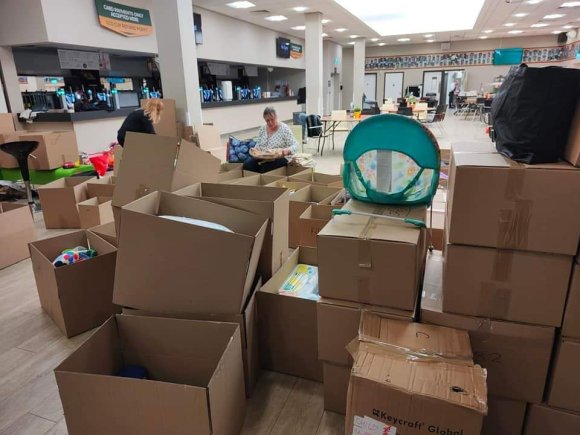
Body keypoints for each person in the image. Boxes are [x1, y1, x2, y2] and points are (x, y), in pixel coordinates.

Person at [243, 106, 298, 173]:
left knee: (265, 168)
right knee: (247, 165)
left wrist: (287, 150)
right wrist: (255, 150)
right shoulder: (263, 128)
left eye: (272, 119)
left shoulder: (284, 129)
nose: (270, 122)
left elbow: (295, 145)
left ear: (276, 117)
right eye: (267, 120)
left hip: (278, 158)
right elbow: (258, 144)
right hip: (263, 157)